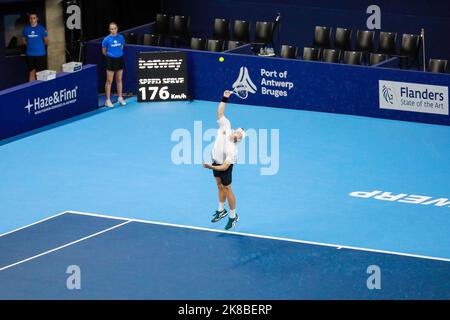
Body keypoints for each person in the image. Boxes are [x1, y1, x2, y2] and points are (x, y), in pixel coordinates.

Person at [203, 90, 246, 230]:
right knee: (219, 185)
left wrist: (211, 167)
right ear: (235, 130)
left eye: (240, 135)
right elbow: (219, 114)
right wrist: (225, 98)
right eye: (238, 132)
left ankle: (233, 216)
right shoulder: (226, 126)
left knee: (227, 188)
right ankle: (221, 210)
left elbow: (224, 168)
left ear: (239, 139)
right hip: (215, 160)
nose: (238, 134)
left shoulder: (233, 150)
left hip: (220, 166)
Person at [102, 22, 126, 108]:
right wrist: (111, 56)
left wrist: (117, 54)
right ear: (109, 30)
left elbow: (122, 47)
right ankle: (107, 100)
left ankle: (120, 97)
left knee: (119, 79)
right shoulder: (106, 39)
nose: (113, 30)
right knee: (109, 81)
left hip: (119, 59)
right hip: (111, 60)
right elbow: (104, 51)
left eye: (114, 28)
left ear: (117, 28)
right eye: (111, 29)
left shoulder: (121, 37)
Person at [21, 12, 48, 82]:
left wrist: (39, 47)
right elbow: (23, 40)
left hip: (40, 54)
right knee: (31, 72)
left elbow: (46, 41)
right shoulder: (26, 29)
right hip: (30, 54)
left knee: (41, 73)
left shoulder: (41, 28)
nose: (32, 20)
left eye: (34, 18)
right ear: (29, 19)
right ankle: (32, 89)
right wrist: (30, 45)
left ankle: (40, 89)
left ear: (37, 19)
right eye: (31, 18)